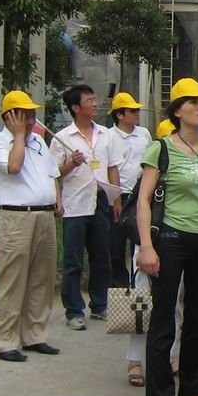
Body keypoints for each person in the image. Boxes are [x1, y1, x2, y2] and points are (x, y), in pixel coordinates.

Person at [134, 78, 198, 396]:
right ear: (176, 111)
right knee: (163, 321)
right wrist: (146, 246)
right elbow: (144, 200)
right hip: (170, 239)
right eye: (193, 103)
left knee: (196, 318)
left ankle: (192, 388)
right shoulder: (161, 149)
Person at [0, 90, 62, 362]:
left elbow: (52, 173)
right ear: (9, 116)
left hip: (44, 216)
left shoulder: (39, 141)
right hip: (16, 218)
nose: (30, 120)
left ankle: (35, 335)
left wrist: (57, 199)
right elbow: (14, 166)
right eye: (24, 115)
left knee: (42, 278)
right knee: (12, 280)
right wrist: (18, 136)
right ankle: (4, 341)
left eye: (32, 114)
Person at [51, 84, 121, 330]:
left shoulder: (105, 134)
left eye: (94, 98)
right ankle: (73, 310)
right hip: (75, 204)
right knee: (73, 260)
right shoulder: (62, 138)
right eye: (89, 100)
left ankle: (100, 304)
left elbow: (112, 167)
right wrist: (71, 163)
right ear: (75, 108)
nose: (94, 103)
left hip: (100, 201)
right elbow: (54, 173)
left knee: (102, 256)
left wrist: (116, 199)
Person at [109, 92, 153, 386]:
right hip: (130, 205)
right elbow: (113, 169)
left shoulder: (145, 135)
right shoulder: (111, 138)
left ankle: (169, 358)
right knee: (139, 294)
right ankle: (135, 362)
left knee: (174, 304)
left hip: (180, 239)